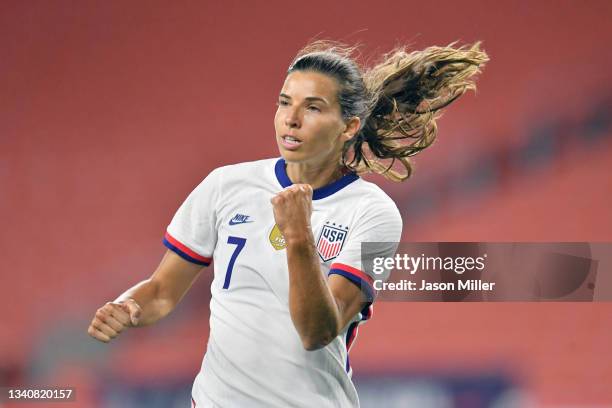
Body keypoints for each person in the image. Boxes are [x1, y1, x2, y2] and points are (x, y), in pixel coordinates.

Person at [87, 40, 488, 407]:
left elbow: (318, 331)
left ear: (348, 126)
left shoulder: (372, 213)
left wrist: (299, 237)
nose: (290, 119)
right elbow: (161, 290)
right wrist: (130, 305)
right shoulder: (227, 184)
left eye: (312, 107)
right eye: (284, 102)